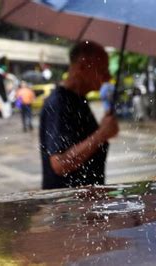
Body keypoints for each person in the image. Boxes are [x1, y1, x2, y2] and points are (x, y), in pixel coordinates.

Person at [39, 41, 119, 189]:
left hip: (83, 206)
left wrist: (102, 128)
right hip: (67, 208)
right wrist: (101, 134)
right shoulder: (59, 103)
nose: (108, 77)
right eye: (102, 70)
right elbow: (60, 164)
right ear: (83, 66)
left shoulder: (78, 100)